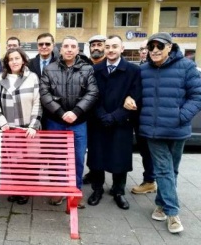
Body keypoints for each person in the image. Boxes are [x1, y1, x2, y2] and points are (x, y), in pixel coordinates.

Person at [132, 32, 201, 233]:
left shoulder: (187, 67)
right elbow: (134, 93)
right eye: (151, 47)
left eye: (159, 47)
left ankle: (161, 204)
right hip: (153, 131)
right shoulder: (143, 70)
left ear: (170, 47)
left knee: (172, 170)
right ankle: (172, 213)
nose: (154, 51)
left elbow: (197, 96)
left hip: (177, 129)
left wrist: (181, 116)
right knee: (163, 170)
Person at [40, 36, 98, 208]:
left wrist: (76, 112)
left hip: (78, 122)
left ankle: (74, 193)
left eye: (73, 46)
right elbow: (45, 94)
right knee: (56, 159)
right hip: (55, 121)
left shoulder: (87, 69)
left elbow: (92, 93)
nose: (69, 49)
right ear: (60, 49)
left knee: (77, 159)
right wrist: (60, 112)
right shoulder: (50, 69)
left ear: (78, 50)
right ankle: (58, 192)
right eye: (66, 46)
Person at [86, 35, 142, 210]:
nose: (110, 50)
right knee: (97, 158)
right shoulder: (94, 70)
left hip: (121, 122)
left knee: (120, 158)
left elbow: (136, 96)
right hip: (98, 121)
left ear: (122, 49)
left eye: (114, 46)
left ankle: (118, 192)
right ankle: (97, 190)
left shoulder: (133, 70)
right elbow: (91, 95)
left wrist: (115, 116)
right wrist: (102, 115)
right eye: (107, 46)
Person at [0, 48, 42, 205]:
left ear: (23, 60)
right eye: (10, 59)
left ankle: (26, 190)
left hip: (28, 128)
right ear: (7, 62)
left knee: (29, 161)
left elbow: (37, 102)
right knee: (13, 161)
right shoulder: (0, 79)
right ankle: (16, 188)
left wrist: (34, 125)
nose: (14, 61)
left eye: (17, 58)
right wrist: (2, 122)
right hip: (10, 128)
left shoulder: (32, 77)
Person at [126, 40, 156, 195]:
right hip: (141, 117)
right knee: (145, 150)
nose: (144, 51)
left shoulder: (159, 67)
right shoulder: (141, 68)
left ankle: (154, 181)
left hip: (158, 118)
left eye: (147, 48)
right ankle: (149, 180)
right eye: (142, 49)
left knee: (158, 153)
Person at [82, 34, 107, 185]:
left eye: (99, 44)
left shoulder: (108, 65)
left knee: (99, 148)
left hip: (103, 112)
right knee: (90, 147)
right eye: (93, 45)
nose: (96, 47)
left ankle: (99, 178)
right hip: (85, 113)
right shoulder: (84, 64)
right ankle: (92, 173)